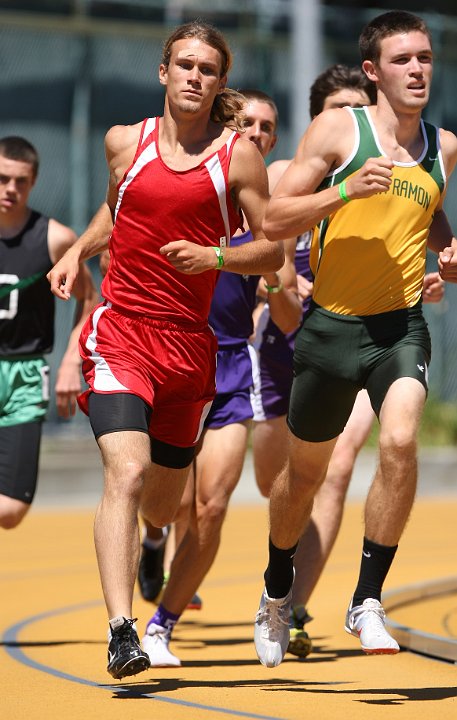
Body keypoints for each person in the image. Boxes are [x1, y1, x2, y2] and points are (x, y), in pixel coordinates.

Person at [47, 21, 284, 681]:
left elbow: (271, 250)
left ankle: (154, 539)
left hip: (188, 349)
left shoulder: (236, 156)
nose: (194, 77)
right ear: (162, 71)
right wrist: (77, 251)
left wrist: (213, 256)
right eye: (184, 64)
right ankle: (123, 630)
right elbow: (115, 209)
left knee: (161, 500)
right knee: (124, 473)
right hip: (121, 331)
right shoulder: (125, 141)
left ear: (218, 82)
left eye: (208, 69)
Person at [254, 9, 457, 668]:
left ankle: (366, 599)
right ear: (372, 71)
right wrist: (340, 191)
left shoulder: (443, 145)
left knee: (398, 439)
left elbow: (430, 213)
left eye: (424, 57)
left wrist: (449, 253)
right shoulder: (338, 130)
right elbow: (273, 217)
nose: (418, 69)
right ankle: (277, 585)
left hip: (398, 328)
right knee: (303, 479)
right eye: (403, 60)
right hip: (328, 330)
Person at [136, 89, 302, 667]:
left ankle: (160, 626)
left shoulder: (269, 220)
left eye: (268, 127)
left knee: (210, 506)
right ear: (228, 127)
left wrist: (275, 283)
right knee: (167, 503)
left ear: (275, 142)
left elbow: (286, 318)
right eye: (247, 122)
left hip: (230, 363)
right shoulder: (184, 183)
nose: (257, 133)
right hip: (166, 352)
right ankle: (154, 537)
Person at [0, 136, 98, 530]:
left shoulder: (55, 237)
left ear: (34, 181)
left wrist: (70, 363)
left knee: (11, 510)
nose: (11, 189)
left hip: (24, 376)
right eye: (3, 178)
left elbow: (90, 300)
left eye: (20, 181)